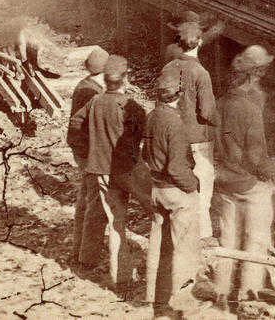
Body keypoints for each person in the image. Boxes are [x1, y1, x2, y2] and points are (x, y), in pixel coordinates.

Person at [71, 55, 146, 294]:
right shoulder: (131, 105)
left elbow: (75, 123)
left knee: (112, 220)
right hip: (127, 171)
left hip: (101, 170)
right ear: (124, 78)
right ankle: (124, 278)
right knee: (153, 212)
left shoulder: (95, 101)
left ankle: (89, 263)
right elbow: (143, 135)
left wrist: (94, 146)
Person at [213, 45, 275, 305]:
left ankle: (221, 291)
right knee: (256, 238)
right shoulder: (250, 109)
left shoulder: (219, 103)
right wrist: (269, 173)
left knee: (228, 237)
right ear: (255, 74)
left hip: (225, 180)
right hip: (249, 184)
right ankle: (248, 294)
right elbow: (255, 155)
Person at [143, 64, 200, 315]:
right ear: (179, 94)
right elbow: (177, 167)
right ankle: (182, 303)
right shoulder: (175, 123)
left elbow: (145, 153)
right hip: (176, 190)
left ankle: (155, 298)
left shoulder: (153, 116)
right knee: (184, 248)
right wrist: (192, 186)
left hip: (156, 189)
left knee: (158, 246)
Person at [162, 12, 218, 242]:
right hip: (197, 139)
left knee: (178, 181)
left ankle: (179, 227)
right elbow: (206, 112)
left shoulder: (168, 68)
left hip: (173, 136)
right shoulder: (200, 73)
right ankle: (203, 232)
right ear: (200, 42)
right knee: (202, 184)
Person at [66, 46, 109, 267]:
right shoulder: (91, 93)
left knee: (85, 201)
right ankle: (88, 258)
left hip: (83, 152)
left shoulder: (85, 85)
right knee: (96, 204)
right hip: (90, 154)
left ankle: (79, 251)